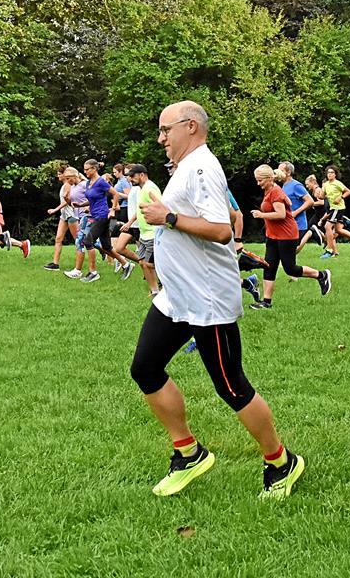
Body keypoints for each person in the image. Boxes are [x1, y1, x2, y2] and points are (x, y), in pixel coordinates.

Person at [132, 100, 305, 499]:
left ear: (190, 126)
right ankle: (188, 452)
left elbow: (221, 230)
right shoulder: (186, 168)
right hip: (177, 297)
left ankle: (281, 461)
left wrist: (168, 218)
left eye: (166, 130)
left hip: (207, 299)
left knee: (231, 387)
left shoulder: (201, 167)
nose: (161, 139)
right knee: (145, 368)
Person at [247, 166, 331, 309]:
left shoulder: (275, 191)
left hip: (286, 235)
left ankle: (321, 275)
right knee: (269, 266)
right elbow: (289, 203)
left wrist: (261, 215)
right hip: (273, 235)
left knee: (290, 269)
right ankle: (266, 302)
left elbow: (281, 214)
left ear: (269, 178)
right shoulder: (270, 190)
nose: (258, 183)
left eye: (260, 180)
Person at [72, 159, 133, 282]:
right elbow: (93, 199)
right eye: (84, 169)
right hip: (95, 215)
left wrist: (112, 210)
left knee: (88, 241)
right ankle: (126, 264)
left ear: (94, 169)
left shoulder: (101, 182)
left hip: (102, 215)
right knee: (106, 246)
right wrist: (80, 205)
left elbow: (115, 194)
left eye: (87, 169)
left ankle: (93, 272)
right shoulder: (89, 182)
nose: (85, 172)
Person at [122, 164, 163, 295]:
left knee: (150, 264)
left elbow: (161, 206)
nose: (130, 179)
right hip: (143, 233)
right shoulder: (141, 189)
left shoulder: (150, 188)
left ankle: (168, 287)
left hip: (153, 233)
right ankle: (154, 291)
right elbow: (139, 211)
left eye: (132, 176)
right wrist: (130, 222)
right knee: (142, 262)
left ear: (142, 175)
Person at [320, 166, 350, 257]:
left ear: (335, 174)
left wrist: (340, 197)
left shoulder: (337, 183)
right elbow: (322, 197)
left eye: (332, 172)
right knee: (338, 229)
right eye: (328, 172)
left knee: (327, 226)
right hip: (332, 208)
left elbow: (348, 191)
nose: (330, 174)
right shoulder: (326, 184)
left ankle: (329, 250)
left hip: (338, 208)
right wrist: (322, 191)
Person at [44, 165, 80, 270]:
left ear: (65, 174)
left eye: (59, 174)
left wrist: (55, 210)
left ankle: (102, 249)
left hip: (71, 215)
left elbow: (66, 202)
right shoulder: (64, 185)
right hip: (64, 216)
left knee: (78, 240)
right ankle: (55, 264)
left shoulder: (68, 185)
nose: (58, 176)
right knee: (58, 239)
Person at [277, 162, 314, 262]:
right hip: (288, 224)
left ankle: (310, 233)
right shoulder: (284, 186)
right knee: (289, 250)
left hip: (299, 224)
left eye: (281, 171)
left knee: (292, 250)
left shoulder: (296, 185)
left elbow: (310, 201)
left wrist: (296, 213)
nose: (278, 173)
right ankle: (293, 275)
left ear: (288, 172)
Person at [296, 175, 327, 253]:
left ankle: (322, 239)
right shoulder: (314, 191)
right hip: (318, 213)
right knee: (311, 228)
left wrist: (310, 204)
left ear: (312, 182)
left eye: (307, 184)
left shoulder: (317, 190)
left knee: (310, 228)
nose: (306, 186)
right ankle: (324, 240)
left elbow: (321, 202)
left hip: (321, 213)